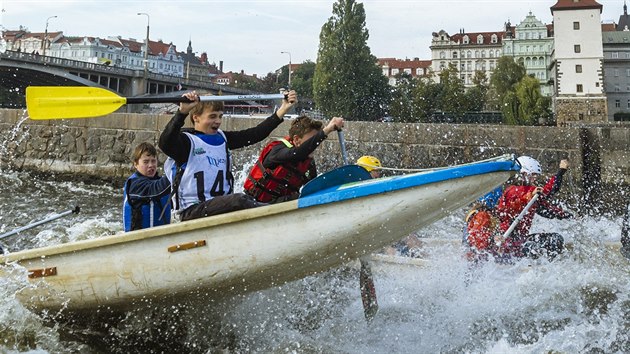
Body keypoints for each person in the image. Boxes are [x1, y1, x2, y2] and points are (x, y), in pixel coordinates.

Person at [159, 90, 297, 221]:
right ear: (196, 118)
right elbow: (165, 142)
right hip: (192, 211)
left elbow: (255, 134)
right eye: (212, 116)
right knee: (239, 200)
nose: (218, 121)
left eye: (220, 116)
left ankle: (289, 204)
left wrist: (283, 109)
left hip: (221, 208)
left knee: (251, 197)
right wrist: (182, 112)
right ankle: (270, 215)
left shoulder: (223, 139)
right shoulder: (186, 143)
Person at [244, 115, 344, 203]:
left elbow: (314, 190)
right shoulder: (277, 151)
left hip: (278, 206)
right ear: (296, 140)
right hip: (253, 203)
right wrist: (327, 130)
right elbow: (296, 154)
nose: (315, 145)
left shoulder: (309, 164)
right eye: (312, 141)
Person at [492, 156, 573, 261]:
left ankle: (550, 271)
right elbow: (526, 196)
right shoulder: (512, 191)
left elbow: (547, 209)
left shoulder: (531, 194)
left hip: (520, 242)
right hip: (506, 244)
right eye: (533, 175)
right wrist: (561, 172)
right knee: (532, 247)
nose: (535, 178)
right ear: (524, 174)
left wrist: (566, 215)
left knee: (555, 239)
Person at [122, 142, 172, 231]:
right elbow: (156, 190)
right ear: (135, 164)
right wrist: (176, 170)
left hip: (161, 236)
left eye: (153, 161)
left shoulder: (159, 181)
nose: (151, 165)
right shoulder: (135, 184)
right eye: (146, 162)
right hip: (139, 239)